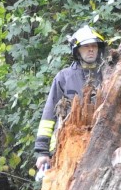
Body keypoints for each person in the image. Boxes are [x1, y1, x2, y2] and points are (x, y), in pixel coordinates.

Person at [34, 25, 109, 172]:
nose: (91, 49)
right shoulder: (64, 77)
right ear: (77, 50)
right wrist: (42, 152)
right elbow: (49, 115)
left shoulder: (108, 74)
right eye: (86, 46)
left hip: (101, 145)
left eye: (94, 45)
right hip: (66, 147)